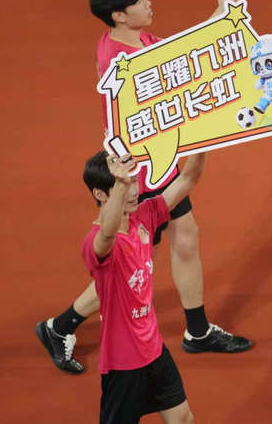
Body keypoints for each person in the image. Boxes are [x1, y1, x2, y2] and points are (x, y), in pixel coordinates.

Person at [35, 0, 252, 375]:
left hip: (160, 163)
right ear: (119, 15)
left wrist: (220, 15)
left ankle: (198, 331)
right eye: (139, 1)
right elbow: (175, 65)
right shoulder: (120, 59)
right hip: (140, 174)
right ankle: (59, 326)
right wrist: (220, 20)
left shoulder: (137, 39)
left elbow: (176, 58)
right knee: (130, 263)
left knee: (185, 235)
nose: (149, 4)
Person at [82, 150, 201, 423]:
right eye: (125, 185)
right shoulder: (94, 244)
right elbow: (108, 234)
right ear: (100, 194)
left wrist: (201, 140)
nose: (135, 190)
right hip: (123, 366)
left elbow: (188, 179)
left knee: (183, 418)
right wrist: (121, 183)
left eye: (135, 181)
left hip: (155, 352)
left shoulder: (146, 216)